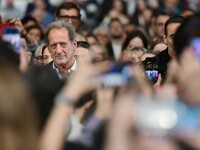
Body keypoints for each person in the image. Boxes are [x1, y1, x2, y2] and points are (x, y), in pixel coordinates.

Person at [155, 15, 185, 84]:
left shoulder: (197, 63)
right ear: (165, 39)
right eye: (173, 37)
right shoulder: (152, 64)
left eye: (181, 36)